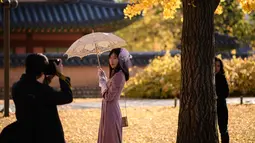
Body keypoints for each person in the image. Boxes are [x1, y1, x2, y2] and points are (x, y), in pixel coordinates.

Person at [0, 53, 73, 143]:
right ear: (42, 70)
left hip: (26, 134)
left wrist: (46, 82)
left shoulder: (17, 87)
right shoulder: (44, 90)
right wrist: (61, 76)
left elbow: (36, 95)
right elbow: (67, 97)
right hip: (46, 135)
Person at [97, 48, 132, 143]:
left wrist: (103, 82)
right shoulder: (115, 74)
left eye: (115, 58)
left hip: (111, 112)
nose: (111, 61)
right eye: (110, 58)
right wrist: (103, 78)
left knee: (110, 137)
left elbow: (108, 97)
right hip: (107, 110)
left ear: (120, 59)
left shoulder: (119, 76)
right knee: (106, 136)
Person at [215, 57, 230, 143]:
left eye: (218, 66)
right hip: (210, 109)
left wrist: (217, 96)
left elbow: (226, 93)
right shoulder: (206, 78)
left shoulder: (221, 78)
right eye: (214, 65)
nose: (216, 68)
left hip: (221, 107)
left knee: (223, 129)